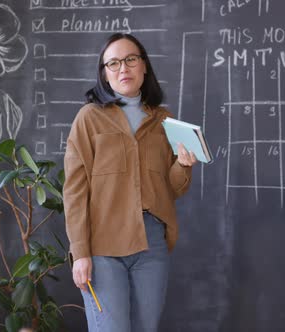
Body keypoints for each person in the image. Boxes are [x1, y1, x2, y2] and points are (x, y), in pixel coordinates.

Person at [63, 33, 197, 332]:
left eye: (130, 59)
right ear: (104, 73)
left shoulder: (164, 120)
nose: (123, 68)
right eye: (113, 63)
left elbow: (172, 189)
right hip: (102, 245)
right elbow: (74, 190)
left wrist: (183, 165)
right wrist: (80, 252)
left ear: (144, 66)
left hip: (152, 243)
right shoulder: (89, 118)